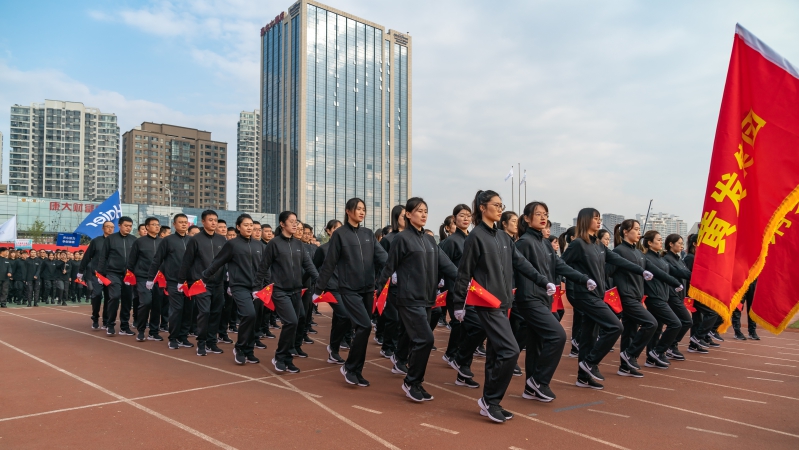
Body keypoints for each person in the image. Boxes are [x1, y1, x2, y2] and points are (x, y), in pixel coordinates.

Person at [452, 190, 556, 423]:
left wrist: (544, 281)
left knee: (495, 353)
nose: (500, 209)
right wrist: (459, 304)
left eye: (502, 205)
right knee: (510, 350)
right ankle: (490, 400)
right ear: (482, 207)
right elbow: (464, 272)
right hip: (487, 303)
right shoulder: (475, 237)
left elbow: (522, 264)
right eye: (496, 205)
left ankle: (490, 402)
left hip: (505, 303)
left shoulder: (504, 237)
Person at [377, 197, 458, 402]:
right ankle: (411, 381)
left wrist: (467, 280)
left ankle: (415, 381)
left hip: (427, 298)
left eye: (425, 211)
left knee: (418, 340)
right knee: (425, 339)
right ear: (408, 214)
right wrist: (379, 292)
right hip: (408, 298)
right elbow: (389, 266)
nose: (423, 214)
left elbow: (446, 265)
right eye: (419, 211)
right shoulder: (401, 239)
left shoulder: (430, 240)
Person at [561, 208, 651, 390]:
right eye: (595, 218)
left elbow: (618, 260)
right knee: (615, 326)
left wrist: (641, 271)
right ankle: (590, 362)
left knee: (589, 336)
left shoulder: (599, 245)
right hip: (584, 295)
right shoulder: (578, 244)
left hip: (596, 295)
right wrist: (582, 279)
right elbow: (561, 264)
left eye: (599, 218)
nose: (599, 221)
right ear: (585, 220)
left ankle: (583, 377)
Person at [515, 201, 593, 401]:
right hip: (529, 299)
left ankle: (530, 388)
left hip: (543, 299)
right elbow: (518, 269)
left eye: (545, 214)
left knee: (536, 344)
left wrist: (584, 279)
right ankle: (540, 380)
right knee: (557, 335)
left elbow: (561, 266)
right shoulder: (524, 243)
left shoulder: (545, 243)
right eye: (538, 214)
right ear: (526, 218)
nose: (543, 217)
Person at [314, 198, 388, 387]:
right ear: (348, 211)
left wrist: (396, 270)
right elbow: (329, 263)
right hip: (349, 289)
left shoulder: (368, 234)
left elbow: (383, 258)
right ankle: (350, 367)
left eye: (364, 209)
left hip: (367, 290)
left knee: (362, 329)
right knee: (364, 326)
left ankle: (355, 370)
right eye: (358, 209)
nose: (362, 212)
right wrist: (318, 289)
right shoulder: (340, 235)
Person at [254, 211, 318, 372]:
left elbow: (309, 266)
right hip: (280, 291)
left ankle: (288, 358)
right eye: (292, 222)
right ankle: (280, 356)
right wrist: (256, 288)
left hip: (297, 291)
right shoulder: (274, 244)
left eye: (296, 221)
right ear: (282, 224)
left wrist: (322, 282)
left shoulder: (299, 245)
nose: (295, 224)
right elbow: (263, 267)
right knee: (291, 322)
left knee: (296, 323)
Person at [202, 214, 262, 365]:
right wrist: (204, 277)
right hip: (239, 286)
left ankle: (249, 350)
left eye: (251, 225)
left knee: (255, 318)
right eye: (246, 225)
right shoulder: (232, 244)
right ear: (238, 227)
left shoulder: (259, 245)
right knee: (248, 314)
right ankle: (240, 348)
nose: (249, 228)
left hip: (257, 287)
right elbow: (218, 262)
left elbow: (264, 268)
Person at [441, 204, 482, 389]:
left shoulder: (471, 238)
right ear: (454, 218)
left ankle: (462, 373)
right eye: (461, 215)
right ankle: (455, 356)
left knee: (467, 330)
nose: (466, 218)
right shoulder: (451, 241)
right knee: (473, 327)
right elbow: (442, 264)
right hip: (456, 291)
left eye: (468, 215)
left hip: (472, 291)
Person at [612, 219, 660, 377]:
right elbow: (608, 273)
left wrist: (674, 281)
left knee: (630, 331)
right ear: (626, 232)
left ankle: (624, 367)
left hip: (637, 297)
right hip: (627, 297)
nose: (639, 232)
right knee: (651, 323)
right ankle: (630, 354)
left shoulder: (639, 252)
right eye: (636, 229)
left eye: (640, 229)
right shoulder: (619, 251)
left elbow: (656, 271)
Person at [178, 210, 228, 356]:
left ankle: (212, 343)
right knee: (204, 312)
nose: (214, 223)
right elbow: (186, 261)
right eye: (210, 220)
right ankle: (201, 343)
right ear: (203, 222)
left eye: (215, 220)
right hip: (201, 282)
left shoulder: (222, 240)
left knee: (216, 312)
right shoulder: (196, 239)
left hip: (218, 283)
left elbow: (226, 260)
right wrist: (182, 280)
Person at [640, 230, 684, 369]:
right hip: (654, 297)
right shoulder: (646, 258)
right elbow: (660, 275)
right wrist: (675, 283)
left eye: (661, 239)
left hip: (663, 296)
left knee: (657, 328)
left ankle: (651, 358)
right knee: (676, 323)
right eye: (658, 240)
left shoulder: (660, 258)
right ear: (649, 243)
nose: (661, 242)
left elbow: (673, 272)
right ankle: (658, 351)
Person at [148, 214, 191, 350]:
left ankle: (183, 337)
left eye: (185, 222)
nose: (184, 224)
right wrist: (150, 278)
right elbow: (157, 259)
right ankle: (173, 338)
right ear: (174, 224)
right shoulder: (167, 241)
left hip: (189, 282)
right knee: (176, 309)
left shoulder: (192, 241)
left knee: (188, 310)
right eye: (180, 222)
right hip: (173, 281)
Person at [314, 219, 349, 364]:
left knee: (340, 318)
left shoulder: (346, 248)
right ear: (328, 231)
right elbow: (314, 267)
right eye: (335, 229)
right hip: (331, 288)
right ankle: (334, 347)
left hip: (346, 287)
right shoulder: (322, 249)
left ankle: (333, 351)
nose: (338, 232)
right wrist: (320, 286)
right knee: (344, 315)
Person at [96, 217, 138, 336]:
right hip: (113, 273)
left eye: (130, 226)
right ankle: (110, 324)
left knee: (127, 300)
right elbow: (103, 257)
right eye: (126, 225)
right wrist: (100, 274)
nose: (128, 228)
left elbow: (137, 258)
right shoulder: (111, 239)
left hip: (129, 275)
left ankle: (124, 326)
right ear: (119, 225)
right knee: (114, 296)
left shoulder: (134, 240)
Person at [376, 205, 406, 361]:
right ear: (396, 218)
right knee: (393, 318)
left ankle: (399, 347)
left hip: (408, 285)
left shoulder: (411, 237)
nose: (406, 218)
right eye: (402, 216)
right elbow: (381, 261)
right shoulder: (388, 239)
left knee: (404, 320)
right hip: (391, 285)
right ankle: (387, 346)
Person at [127, 217, 162, 342]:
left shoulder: (163, 242)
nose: (157, 227)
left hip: (158, 278)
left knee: (157, 305)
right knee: (146, 302)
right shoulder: (139, 242)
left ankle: (153, 331)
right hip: (142, 277)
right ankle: (141, 330)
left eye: (158, 224)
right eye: (153, 224)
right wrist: (129, 276)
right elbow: (132, 260)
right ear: (147, 227)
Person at [662, 234, 694, 360]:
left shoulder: (679, 259)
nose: (681, 245)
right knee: (686, 321)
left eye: (682, 243)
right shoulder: (667, 259)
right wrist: (697, 276)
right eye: (679, 243)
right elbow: (681, 273)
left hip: (679, 295)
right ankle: (669, 345)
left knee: (679, 322)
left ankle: (670, 346)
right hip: (671, 294)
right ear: (671, 244)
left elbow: (686, 273)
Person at [78, 221, 114, 329]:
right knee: (97, 295)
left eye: (112, 227)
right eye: (107, 227)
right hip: (97, 274)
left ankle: (106, 320)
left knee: (109, 298)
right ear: (103, 228)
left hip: (111, 274)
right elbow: (87, 256)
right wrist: (80, 271)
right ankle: (95, 317)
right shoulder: (96, 241)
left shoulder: (115, 241)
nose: (110, 229)